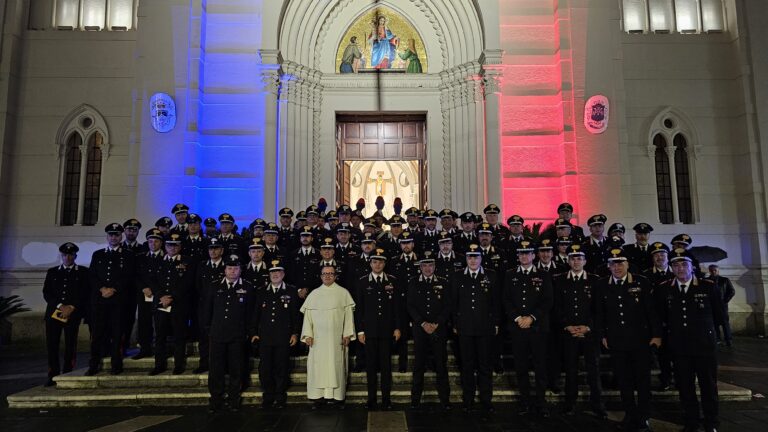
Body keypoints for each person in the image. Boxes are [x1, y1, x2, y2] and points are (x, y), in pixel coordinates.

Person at [658, 250, 725, 432]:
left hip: (704, 345)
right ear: (671, 268)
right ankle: (691, 421)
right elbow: (662, 316)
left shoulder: (708, 286)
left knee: (708, 386)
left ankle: (711, 422)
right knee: (685, 387)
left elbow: (719, 315)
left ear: (691, 266)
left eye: (684, 264)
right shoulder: (665, 288)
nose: (680, 269)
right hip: (679, 346)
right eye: (676, 265)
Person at [595, 248, 661, 432]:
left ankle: (644, 416)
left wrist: (656, 335)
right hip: (617, 340)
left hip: (641, 340)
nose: (617, 267)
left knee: (643, 381)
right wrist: (602, 335)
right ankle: (630, 415)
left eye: (620, 263)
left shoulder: (641, 282)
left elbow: (651, 311)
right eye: (613, 264)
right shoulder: (602, 285)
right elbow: (600, 313)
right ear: (608, 266)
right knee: (624, 381)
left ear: (627, 265)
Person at [552, 244, 606, 418]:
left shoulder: (595, 280)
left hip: (589, 333)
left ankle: (598, 405)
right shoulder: (559, 280)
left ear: (585, 261)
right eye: (573, 258)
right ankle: (570, 403)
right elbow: (557, 307)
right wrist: (567, 325)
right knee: (570, 370)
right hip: (569, 332)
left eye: (579, 258)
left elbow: (599, 309)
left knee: (594, 370)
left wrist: (588, 327)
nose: (576, 261)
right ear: (568, 261)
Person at [504, 241, 553, 417]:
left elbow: (548, 300)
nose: (524, 256)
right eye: (521, 254)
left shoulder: (544, 274)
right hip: (518, 328)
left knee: (540, 366)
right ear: (518, 256)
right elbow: (506, 300)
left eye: (528, 253)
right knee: (521, 367)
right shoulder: (510, 275)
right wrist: (518, 318)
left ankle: (541, 402)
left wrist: (531, 318)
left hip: (537, 328)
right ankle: (524, 402)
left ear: (534, 256)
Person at [204, 255, 256, 413]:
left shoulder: (247, 287)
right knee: (216, 369)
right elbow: (206, 310)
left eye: (235, 268)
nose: (232, 271)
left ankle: (234, 398)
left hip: (237, 335)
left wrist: (248, 332)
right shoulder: (214, 286)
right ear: (225, 270)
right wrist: (208, 329)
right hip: (218, 334)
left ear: (240, 270)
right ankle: (215, 399)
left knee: (236, 368)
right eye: (229, 268)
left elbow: (252, 313)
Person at [301, 265, 356, 408]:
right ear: (320, 276)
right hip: (318, 340)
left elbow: (349, 316)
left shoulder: (343, 293)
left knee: (336, 365)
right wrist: (308, 334)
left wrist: (347, 334)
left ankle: (337, 398)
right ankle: (318, 397)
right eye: (325, 274)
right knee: (317, 367)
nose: (327, 276)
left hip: (337, 339)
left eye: (331, 274)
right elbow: (307, 317)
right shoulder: (314, 294)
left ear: (335, 276)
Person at [453, 244, 500, 412]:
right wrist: (455, 324)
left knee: (485, 366)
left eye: (476, 257)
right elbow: (453, 302)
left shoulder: (491, 275)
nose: (473, 260)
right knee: (467, 365)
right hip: (465, 328)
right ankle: (468, 400)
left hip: (485, 327)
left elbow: (496, 302)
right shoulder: (458, 276)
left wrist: (495, 323)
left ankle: (486, 400)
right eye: (470, 257)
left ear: (481, 258)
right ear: (466, 259)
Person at [356, 249, 403, 410]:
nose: (378, 264)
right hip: (369, 331)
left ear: (385, 263)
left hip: (386, 331)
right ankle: (371, 399)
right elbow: (359, 309)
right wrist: (360, 331)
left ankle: (386, 399)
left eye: (381, 262)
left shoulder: (392, 281)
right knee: (370, 367)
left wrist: (397, 327)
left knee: (386, 366)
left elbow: (397, 307)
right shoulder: (362, 281)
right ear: (370, 263)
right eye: (375, 261)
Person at [86, 223, 135, 376]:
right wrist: (102, 289)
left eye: (117, 235)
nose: (114, 237)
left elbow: (128, 276)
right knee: (97, 333)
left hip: (118, 301)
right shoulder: (98, 254)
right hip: (100, 300)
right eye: (111, 235)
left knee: (117, 332)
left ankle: (116, 363)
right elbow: (92, 275)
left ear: (121, 236)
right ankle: (94, 364)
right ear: (107, 237)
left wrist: (113, 289)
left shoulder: (128, 255)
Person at [407, 252, 453, 410]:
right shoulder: (413, 282)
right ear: (420, 267)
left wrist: (437, 323)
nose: (427, 268)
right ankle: (415, 400)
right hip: (421, 330)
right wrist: (422, 323)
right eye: (424, 265)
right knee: (418, 365)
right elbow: (410, 305)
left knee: (441, 365)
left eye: (430, 265)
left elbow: (448, 306)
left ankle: (445, 400)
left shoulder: (443, 282)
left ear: (435, 266)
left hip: (438, 330)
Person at [252, 260, 300, 409]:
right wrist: (254, 333)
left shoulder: (291, 291)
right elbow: (255, 314)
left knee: (281, 367)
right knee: (265, 368)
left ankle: (280, 396)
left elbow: (296, 315)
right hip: (265, 336)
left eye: (278, 272)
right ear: (269, 275)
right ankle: (268, 395)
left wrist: (295, 333)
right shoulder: (261, 291)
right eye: (273, 272)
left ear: (283, 274)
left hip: (283, 336)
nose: (275, 274)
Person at [42, 242, 89, 386]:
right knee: (52, 345)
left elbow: (84, 292)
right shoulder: (53, 272)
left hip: (72, 314)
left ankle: (68, 371)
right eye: (64, 255)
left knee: (70, 344)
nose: (67, 257)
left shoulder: (83, 272)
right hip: (54, 313)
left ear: (75, 255)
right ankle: (53, 374)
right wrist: (60, 306)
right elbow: (47, 292)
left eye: (70, 255)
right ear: (61, 256)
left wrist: (72, 307)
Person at [149, 233, 196, 376]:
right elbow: (153, 281)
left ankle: (178, 365)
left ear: (180, 246)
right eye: (169, 244)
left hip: (179, 305)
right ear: (165, 246)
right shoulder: (158, 261)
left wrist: (171, 297)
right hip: (161, 303)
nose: (172, 247)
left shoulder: (187, 262)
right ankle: (159, 365)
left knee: (179, 336)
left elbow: (188, 283)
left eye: (175, 245)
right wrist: (161, 296)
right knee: (160, 336)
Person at [132, 228, 165, 360]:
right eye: (150, 241)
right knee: (144, 322)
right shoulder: (140, 258)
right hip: (144, 294)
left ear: (161, 243)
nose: (153, 244)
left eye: (156, 241)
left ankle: (160, 350)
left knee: (160, 324)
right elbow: (135, 276)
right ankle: (145, 349)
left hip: (160, 295)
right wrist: (143, 287)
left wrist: (157, 291)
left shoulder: (166, 258)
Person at [706, 264, 735, 347]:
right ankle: (717, 339)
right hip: (712, 305)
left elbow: (732, 291)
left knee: (725, 324)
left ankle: (728, 339)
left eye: (715, 270)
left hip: (722, 306)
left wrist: (725, 300)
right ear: (709, 271)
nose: (713, 272)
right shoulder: (707, 281)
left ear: (718, 271)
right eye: (711, 270)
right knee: (714, 324)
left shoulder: (724, 280)